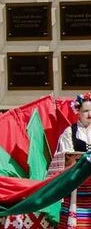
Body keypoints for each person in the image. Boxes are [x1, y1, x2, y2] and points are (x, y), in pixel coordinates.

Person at [53, 93, 91, 228]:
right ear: (78, 112)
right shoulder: (70, 132)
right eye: (86, 111)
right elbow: (64, 154)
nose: (89, 114)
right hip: (76, 182)